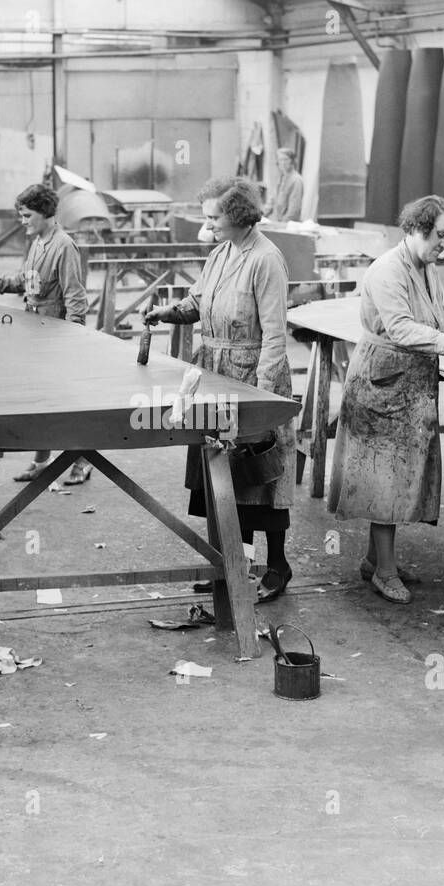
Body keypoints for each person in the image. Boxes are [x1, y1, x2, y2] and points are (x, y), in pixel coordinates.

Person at [328, 195, 444, 604]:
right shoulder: (388, 271)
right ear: (416, 228)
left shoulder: (427, 268)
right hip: (382, 382)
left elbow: (439, 317)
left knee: (398, 476)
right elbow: (400, 329)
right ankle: (384, 571)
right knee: (386, 479)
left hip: (410, 380)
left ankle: (374, 560)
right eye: (440, 235)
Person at [144, 177, 297, 603]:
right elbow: (197, 303)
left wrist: (265, 401)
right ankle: (235, 564)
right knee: (222, 476)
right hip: (213, 374)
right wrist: (168, 312)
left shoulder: (266, 260)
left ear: (239, 216)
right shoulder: (219, 254)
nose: (206, 224)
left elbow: (275, 336)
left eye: (213, 216)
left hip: (252, 375)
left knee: (259, 474)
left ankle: (278, 566)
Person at [0, 183, 92, 484]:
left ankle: (82, 461)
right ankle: (41, 461)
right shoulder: (38, 243)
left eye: (27, 215)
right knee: (41, 401)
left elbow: (76, 299)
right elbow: (25, 281)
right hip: (36, 335)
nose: (22, 221)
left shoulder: (64, 246)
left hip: (57, 337)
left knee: (67, 404)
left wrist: (73, 344)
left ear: (46, 213)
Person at [267, 147, 304, 223]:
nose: (283, 163)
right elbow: (272, 201)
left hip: (288, 225)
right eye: (280, 160)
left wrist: (280, 225)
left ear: (292, 161)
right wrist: (261, 215)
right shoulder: (281, 178)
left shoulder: (296, 180)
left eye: (286, 159)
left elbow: (294, 211)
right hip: (276, 222)